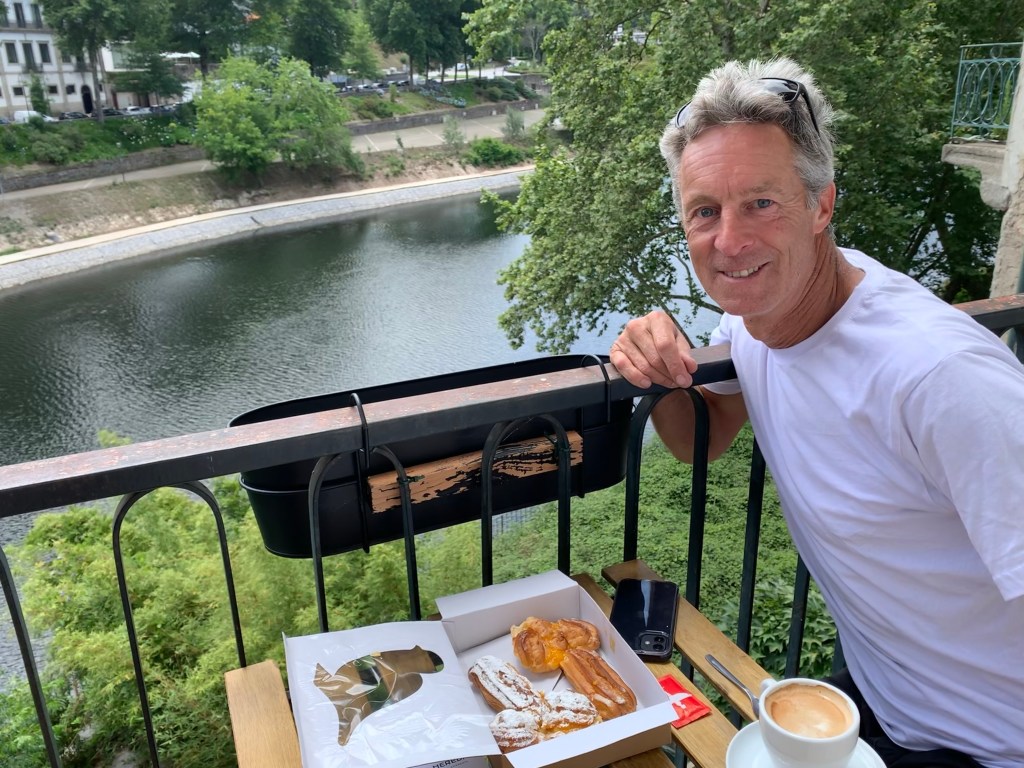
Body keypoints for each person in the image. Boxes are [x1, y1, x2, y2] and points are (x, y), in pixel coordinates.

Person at [610, 57, 1024, 768]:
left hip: (988, 744)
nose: (729, 241)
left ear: (821, 206)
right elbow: (700, 441)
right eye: (705, 211)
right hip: (880, 705)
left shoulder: (941, 376)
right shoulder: (754, 318)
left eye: (760, 203)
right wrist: (660, 363)